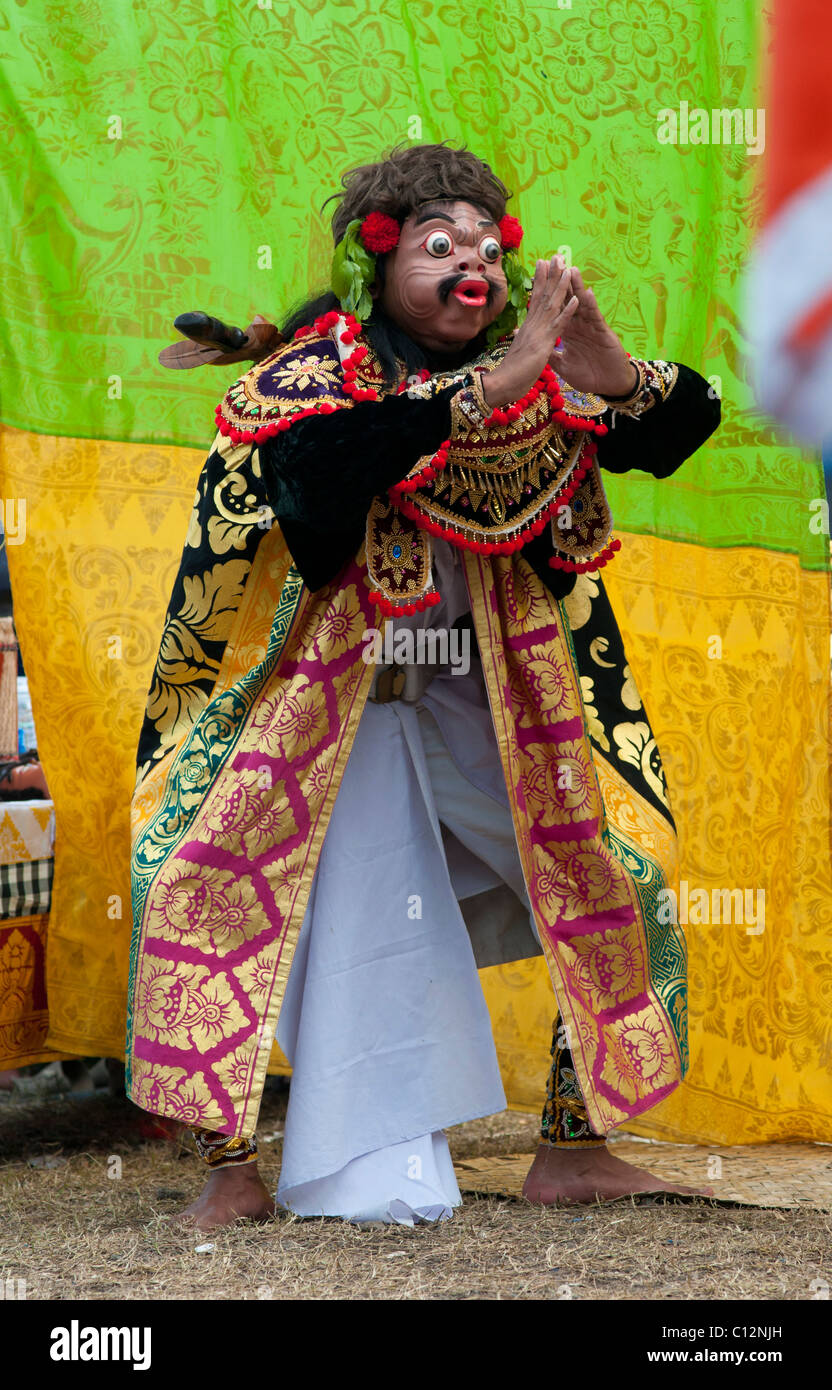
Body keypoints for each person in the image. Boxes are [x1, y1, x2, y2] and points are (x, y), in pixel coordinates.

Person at [126, 143, 720, 1230]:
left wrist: (611, 369)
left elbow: (679, 432)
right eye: (444, 247)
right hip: (329, 714)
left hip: (485, 701)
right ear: (379, 254)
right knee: (207, 891)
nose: (476, 271)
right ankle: (233, 1166)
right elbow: (319, 481)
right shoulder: (314, 378)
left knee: (627, 869)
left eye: (491, 251)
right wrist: (493, 381)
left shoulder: (541, 382)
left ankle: (573, 1147)